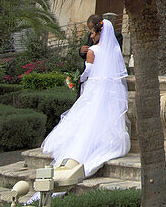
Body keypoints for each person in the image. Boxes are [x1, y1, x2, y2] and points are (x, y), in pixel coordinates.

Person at [41, 16, 130, 176]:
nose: (90, 36)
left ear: (98, 33)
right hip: (110, 87)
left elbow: (87, 72)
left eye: (92, 32)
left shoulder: (93, 51)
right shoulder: (114, 50)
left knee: (87, 115)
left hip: (95, 87)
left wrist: (75, 80)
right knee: (104, 115)